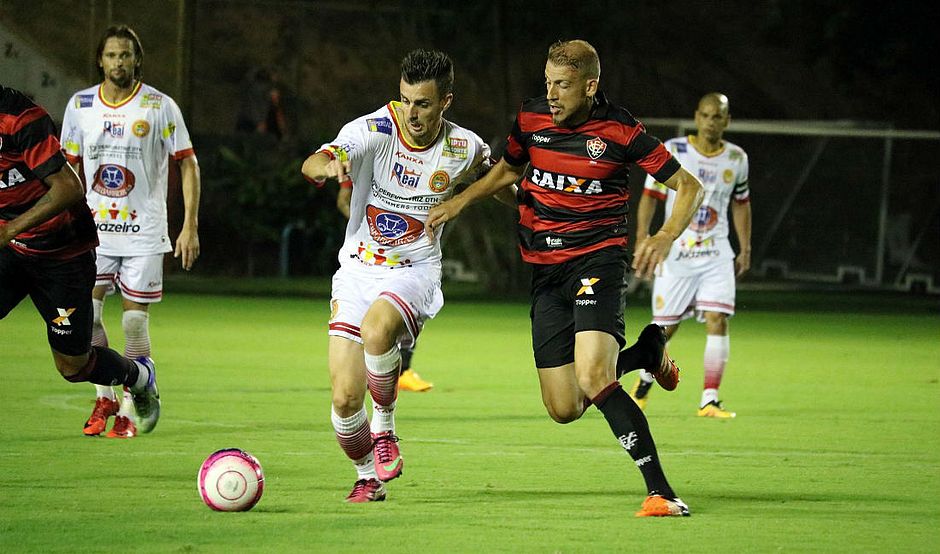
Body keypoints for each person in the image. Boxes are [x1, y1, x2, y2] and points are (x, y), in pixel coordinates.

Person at [426, 40, 704, 517]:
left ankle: (661, 491)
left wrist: (664, 236)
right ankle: (645, 353)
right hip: (546, 270)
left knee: (594, 373)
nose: (551, 94)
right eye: (548, 82)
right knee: (565, 407)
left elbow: (688, 186)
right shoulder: (531, 119)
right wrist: (461, 200)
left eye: (563, 85)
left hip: (598, 261)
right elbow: (509, 171)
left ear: (590, 86)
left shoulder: (620, 129)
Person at [301, 49, 490, 502]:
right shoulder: (373, 128)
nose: (411, 112)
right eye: (405, 100)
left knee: (377, 330)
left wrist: (528, 206)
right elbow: (312, 161)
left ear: (446, 102)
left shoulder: (464, 146)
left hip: (414, 271)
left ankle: (385, 427)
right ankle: (367, 476)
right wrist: (327, 167)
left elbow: (498, 178)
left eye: (422, 103)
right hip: (357, 269)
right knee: (346, 400)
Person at [60, 25, 201, 438]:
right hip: (94, 232)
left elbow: (187, 162)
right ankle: (104, 397)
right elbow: (68, 169)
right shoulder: (80, 105)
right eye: (111, 56)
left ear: (136, 59)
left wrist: (189, 224)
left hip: (143, 232)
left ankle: (131, 401)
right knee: (89, 317)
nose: (118, 62)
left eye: (125, 55)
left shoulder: (159, 106)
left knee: (135, 326)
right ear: (100, 60)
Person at [0, 85, 161, 433]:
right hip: (10, 251)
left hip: (62, 252)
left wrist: (9, 229)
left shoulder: (21, 119)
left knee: (73, 367)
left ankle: (138, 376)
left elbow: (68, 187)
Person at [628, 93, 750, 419]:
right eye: (706, 115)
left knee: (717, 319)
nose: (711, 122)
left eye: (718, 116)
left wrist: (745, 247)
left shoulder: (737, 159)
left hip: (717, 253)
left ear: (726, 120)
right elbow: (650, 196)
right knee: (664, 329)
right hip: (678, 254)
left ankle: (709, 399)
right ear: (697, 117)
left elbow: (741, 204)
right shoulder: (675, 150)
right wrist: (643, 235)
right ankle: (641, 388)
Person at [336, 185, 433, 392]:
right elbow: (343, 199)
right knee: (370, 322)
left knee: (403, 312)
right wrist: (367, 227)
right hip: (368, 259)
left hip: (407, 258)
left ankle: (402, 371)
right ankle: (371, 373)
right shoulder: (361, 159)